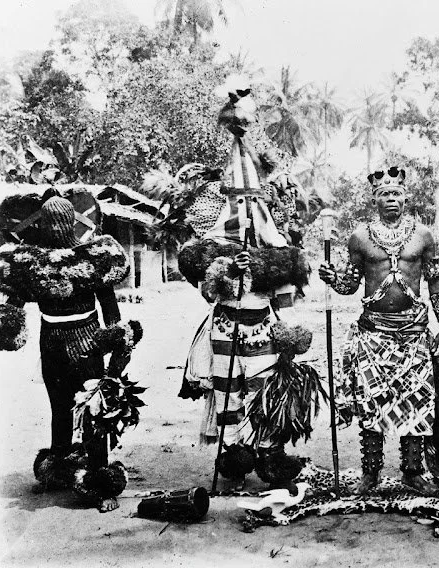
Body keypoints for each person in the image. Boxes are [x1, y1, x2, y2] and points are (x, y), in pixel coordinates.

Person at [177, 86, 311, 489]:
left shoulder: (277, 251)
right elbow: (206, 291)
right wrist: (227, 273)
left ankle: (271, 456)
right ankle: (233, 459)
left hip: (263, 330)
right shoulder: (213, 249)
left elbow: (287, 297)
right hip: (225, 329)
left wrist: (266, 277)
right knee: (227, 393)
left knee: (265, 390)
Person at [318, 166, 439, 496]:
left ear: (406, 197)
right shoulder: (360, 238)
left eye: (396, 193)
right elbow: (351, 285)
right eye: (384, 194)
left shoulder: (422, 236)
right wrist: (332, 278)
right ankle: (371, 473)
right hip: (372, 334)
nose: (391, 199)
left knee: (416, 403)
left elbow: (435, 282)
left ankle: (412, 471)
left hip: (414, 333)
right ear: (374, 199)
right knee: (371, 404)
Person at [0, 190, 130, 511]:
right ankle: (64, 466)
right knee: (65, 406)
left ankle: (97, 478)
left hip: (79, 340)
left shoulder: (86, 260)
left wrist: (117, 340)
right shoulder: (38, 264)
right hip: (61, 340)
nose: (55, 230)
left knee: (90, 408)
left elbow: (110, 307)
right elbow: (13, 307)